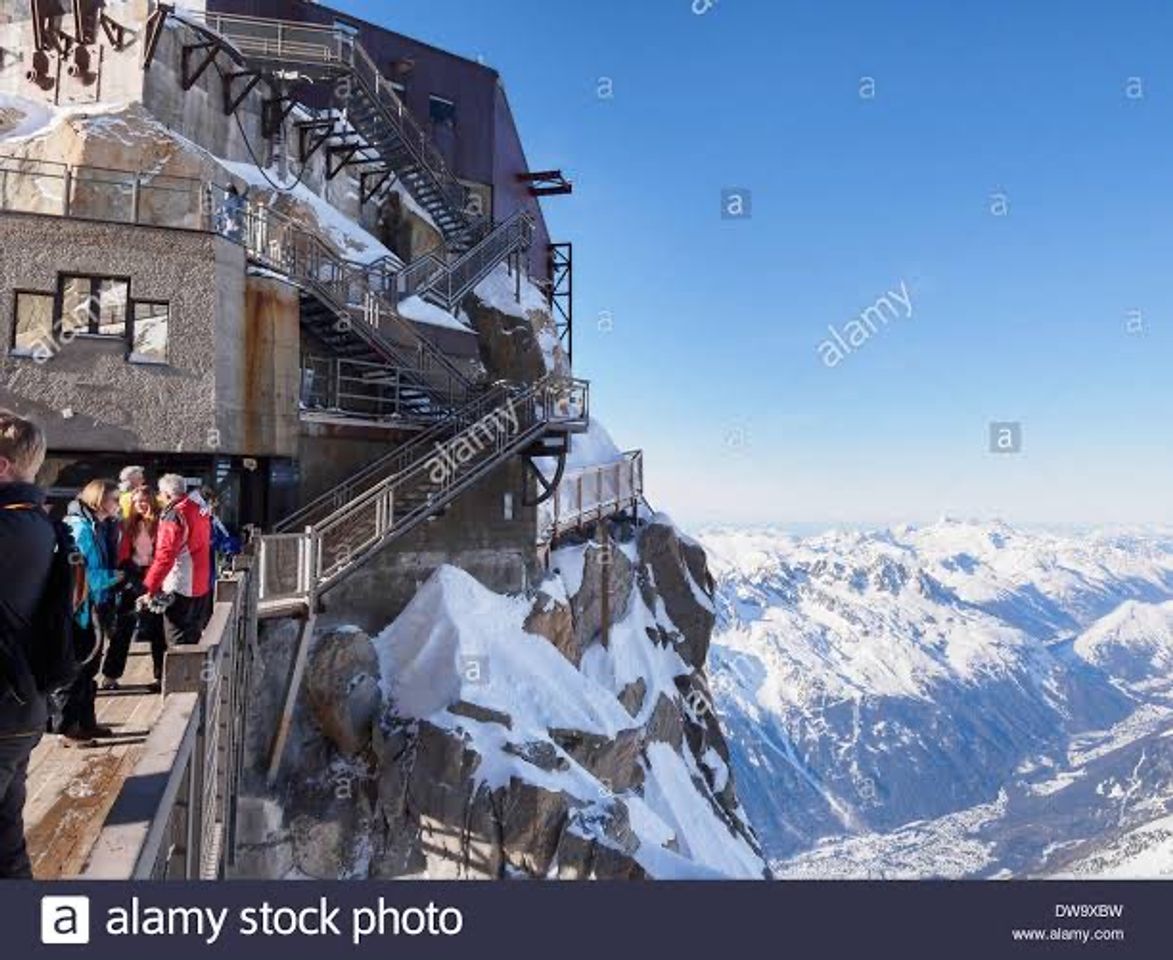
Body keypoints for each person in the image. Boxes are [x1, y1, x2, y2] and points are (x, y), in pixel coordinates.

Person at [0, 411, 75, 878]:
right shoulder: (40, 525)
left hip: (5, 702)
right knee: (7, 845)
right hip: (21, 705)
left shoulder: (10, 527)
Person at [60, 479, 124, 745]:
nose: (118, 504)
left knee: (89, 670)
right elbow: (79, 575)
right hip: (81, 612)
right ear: (99, 500)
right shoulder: (81, 529)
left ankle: (86, 722)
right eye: (114, 499)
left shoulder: (97, 526)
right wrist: (114, 577)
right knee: (77, 670)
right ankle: (68, 728)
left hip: (94, 607)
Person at [100, 487, 164, 693]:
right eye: (136, 501)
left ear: (152, 501)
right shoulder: (127, 525)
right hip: (132, 575)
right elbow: (121, 554)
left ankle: (161, 676)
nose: (140, 505)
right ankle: (110, 675)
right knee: (123, 627)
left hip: (155, 577)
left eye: (144, 500)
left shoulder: (162, 523)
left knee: (157, 629)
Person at [143, 475, 212, 647]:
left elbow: (165, 556)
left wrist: (150, 587)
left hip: (180, 584)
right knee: (193, 638)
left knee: (177, 641)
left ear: (167, 494)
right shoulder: (198, 509)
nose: (159, 498)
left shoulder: (175, 515)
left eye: (160, 494)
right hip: (200, 583)